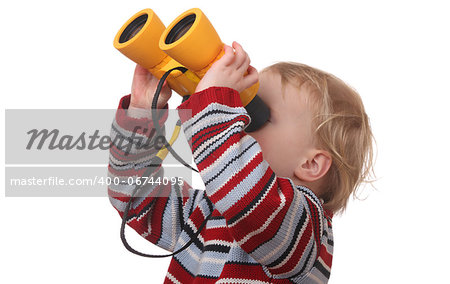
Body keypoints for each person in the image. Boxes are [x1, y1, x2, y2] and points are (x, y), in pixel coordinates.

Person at [107, 41, 375, 283]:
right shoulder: (207, 213)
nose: (241, 117)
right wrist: (143, 110)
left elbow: (250, 201)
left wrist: (214, 104)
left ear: (311, 164)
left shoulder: (307, 231)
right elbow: (134, 195)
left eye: (259, 112)